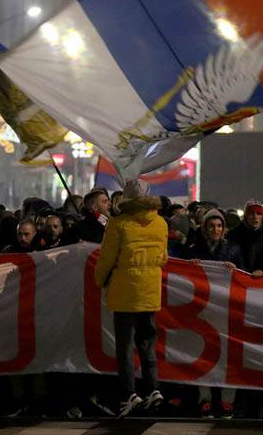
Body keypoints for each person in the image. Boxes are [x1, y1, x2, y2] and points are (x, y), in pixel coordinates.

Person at [94, 179, 167, 417]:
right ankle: (153, 389)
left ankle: (129, 394)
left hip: (125, 292)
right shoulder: (160, 223)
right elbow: (163, 257)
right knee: (147, 343)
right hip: (150, 292)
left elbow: (107, 258)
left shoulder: (118, 224)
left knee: (125, 346)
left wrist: (100, 280)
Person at [185, 209, 243, 418]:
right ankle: (205, 399)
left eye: (219, 226)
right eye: (211, 226)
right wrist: (190, 267)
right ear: (204, 228)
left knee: (229, 356)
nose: (215, 230)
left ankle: (227, 401)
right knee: (202, 354)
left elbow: (244, 276)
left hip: (227, 310)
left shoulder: (234, 250)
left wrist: (235, 270)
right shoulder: (194, 250)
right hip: (203, 311)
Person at [227, 199, 263, 276]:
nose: (255, 217)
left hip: (261, 279)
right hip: (239, 277)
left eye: (259, 213)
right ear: (246, 216)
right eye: (251, 213)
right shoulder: (233, 235)